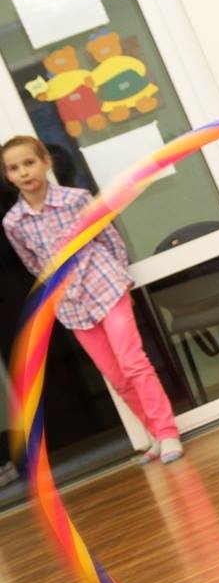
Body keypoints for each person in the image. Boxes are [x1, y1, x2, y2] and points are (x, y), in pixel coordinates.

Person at [2, 136, 183, 465]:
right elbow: (34, 264)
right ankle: (155, 434)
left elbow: (109, 239)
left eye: (29, 163)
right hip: (71, 305)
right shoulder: (13, 222)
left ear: (45, 162)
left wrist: (120, 278)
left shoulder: (76, 199)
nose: (24, 172)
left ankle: (168, 431)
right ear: (8, 176)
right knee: (115, 375)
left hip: (105, 286)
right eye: (14, 168)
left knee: (132, 362)